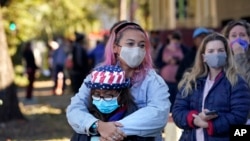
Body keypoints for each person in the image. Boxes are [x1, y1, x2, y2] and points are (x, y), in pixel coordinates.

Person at [66, 21, 171, 141]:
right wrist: (98, 126)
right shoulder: (96, 76)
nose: (136, 50)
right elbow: (75, 108)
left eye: (141, 45)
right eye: (130, 44)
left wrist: (111, 131)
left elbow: (158, 114)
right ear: (115, 47)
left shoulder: (153, 81)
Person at [172, 32, 250, 141]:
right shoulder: (191, 81)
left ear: (227, 54)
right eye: (211, 51)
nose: (216, 54)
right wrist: (195, 119)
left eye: (220, 51)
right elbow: (177, 112)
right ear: (204, 57)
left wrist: (209, 124)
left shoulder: (237, 82)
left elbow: (239, 116)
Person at [71, 65, 154, 141]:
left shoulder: (136, 117)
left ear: (122, 94)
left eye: (108, 95)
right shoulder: (87, 116)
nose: (101, 99)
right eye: (97, 94)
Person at [221, 19, 250, 125]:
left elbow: (246, 84)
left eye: (242, 35)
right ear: (227, 40)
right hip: (228, 118)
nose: (238, 39)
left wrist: (240, 56)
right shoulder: (221, 61)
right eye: (233, 35)